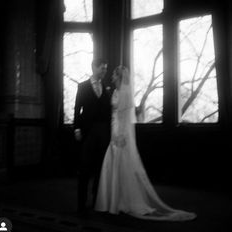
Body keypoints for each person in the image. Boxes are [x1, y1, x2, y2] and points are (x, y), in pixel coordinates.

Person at [95, 65, 197, 221]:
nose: (112, 77)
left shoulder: (124, 93)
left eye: (115, 75)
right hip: (113, 129)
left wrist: (120, 135)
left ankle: (121, 201)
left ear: (120, 77)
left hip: (119, 133)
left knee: (120, 165)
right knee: (114, 165)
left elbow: (125, 118)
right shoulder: (115, 91)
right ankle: (114, 199)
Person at [74, 58, 112, 216]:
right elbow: (77, 108)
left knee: (100, 167)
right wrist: (76, 128)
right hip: (87, 131)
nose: (104, 71)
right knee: (84, 168)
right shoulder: (82, 86)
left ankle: (96, 199)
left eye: (105, 68)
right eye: (102, 68)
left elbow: (109, 111)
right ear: (94, 68)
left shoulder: (106, 88)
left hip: (103, 132)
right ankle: (81, 204)